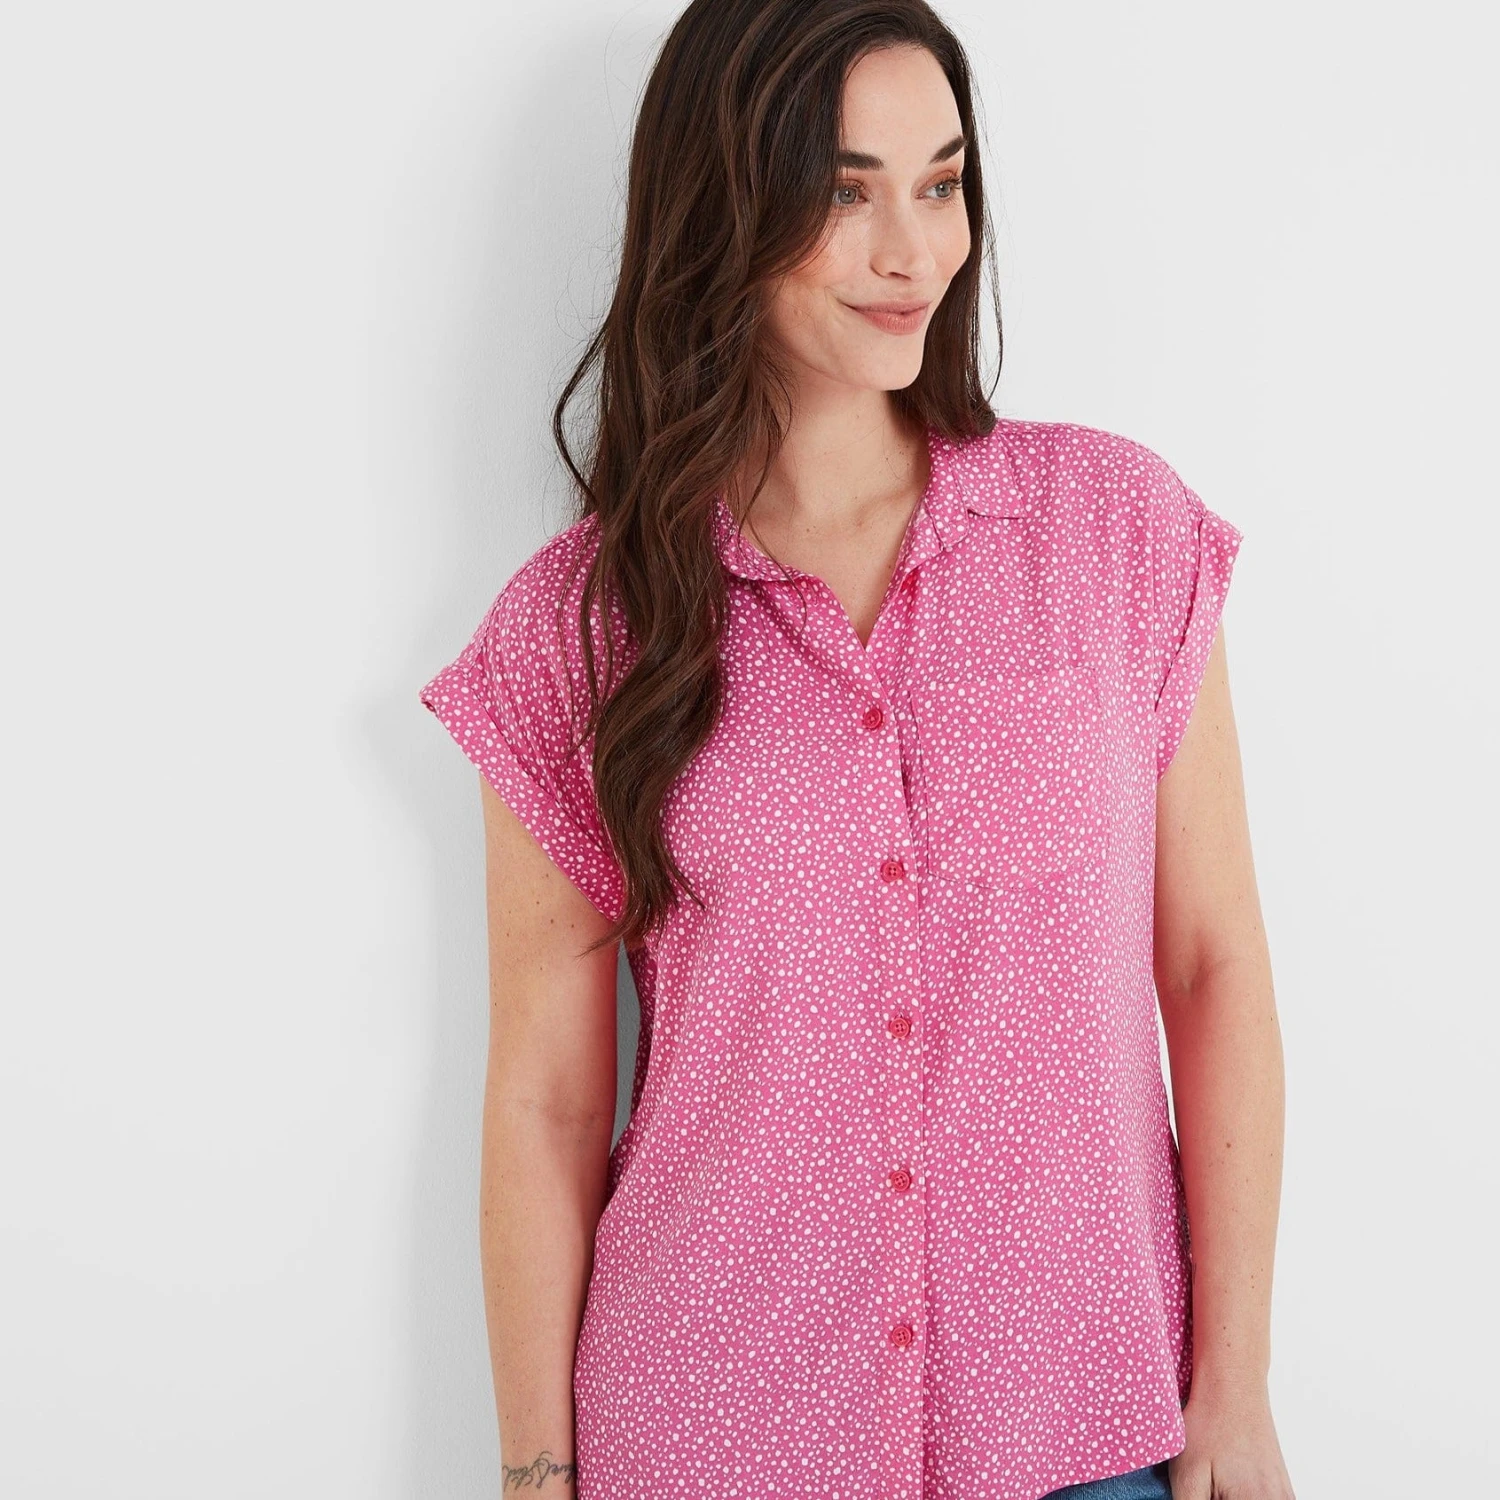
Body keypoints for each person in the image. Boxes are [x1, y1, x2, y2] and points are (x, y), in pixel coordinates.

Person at [419, 2, 1294, 1497]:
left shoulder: (1114, 536)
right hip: (715, 1434)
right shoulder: (582, 627)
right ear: (724, 208)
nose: (915, 250)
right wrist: (535, 1476)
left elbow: (1212, 969)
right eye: (845, 190)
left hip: (1083, 1425)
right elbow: (548, 1102)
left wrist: (1236, 1391)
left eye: (942, 183)